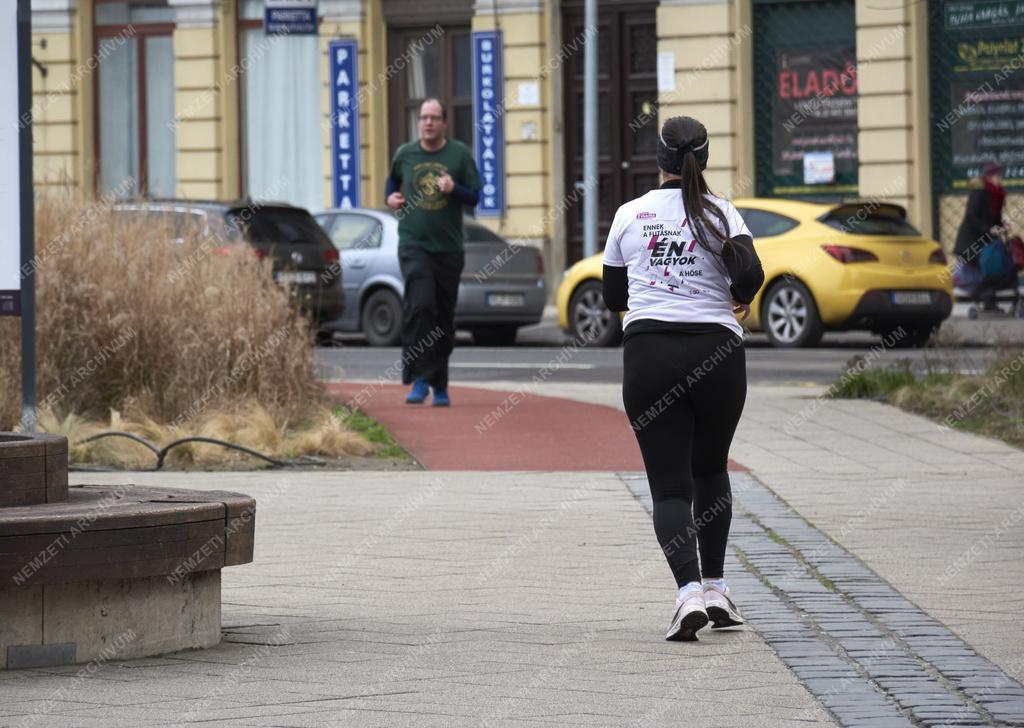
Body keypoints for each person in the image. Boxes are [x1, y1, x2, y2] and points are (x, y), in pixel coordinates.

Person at [602, 116, 764, 641]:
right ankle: (717, 588)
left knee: (670, 489)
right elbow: (751, 277)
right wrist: (735, 292)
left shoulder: (630, 214)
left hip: (649, 356)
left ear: (661, 160)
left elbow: (612, 297)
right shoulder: (722, 214)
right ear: (706, 158)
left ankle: (688, 594)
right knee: (711, 470)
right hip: (718, 354)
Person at [386, 99, 482, 406]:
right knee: (421, 306)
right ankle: (418, 379)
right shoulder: (405, 153)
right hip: (414, 244)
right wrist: (391, 196)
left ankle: (439, 384)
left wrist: (455, 190)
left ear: (443, 123)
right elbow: (392, 180)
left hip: (449, 248)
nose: (428, 123)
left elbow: (476, 196)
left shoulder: (459, 154)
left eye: (434, 118)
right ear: (419, 122)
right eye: (423, 117)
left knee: (443, 317)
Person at [954, 162, 1010, 311]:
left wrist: (1001, 227)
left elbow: (994, 219)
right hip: (973, 240)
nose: (1001, 179)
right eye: (998, 175)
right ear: (990, 177)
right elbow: (971, 216)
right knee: (983, 270)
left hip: (987, 240)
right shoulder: (980, 192)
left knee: (990, 269)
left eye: (1001, 176)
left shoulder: (997, 194)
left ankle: (988, 302)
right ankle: (986, 301)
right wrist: (988, 230)